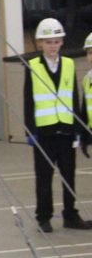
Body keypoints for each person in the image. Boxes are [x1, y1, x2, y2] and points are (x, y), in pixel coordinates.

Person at [24, 18, 92, 233]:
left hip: (66, 130)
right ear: (40, 43)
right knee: (43, 177)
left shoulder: (70, 65)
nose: (52, 46)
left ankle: (70, 215)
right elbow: (28, 100)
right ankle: (43, 217)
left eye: (56, 41)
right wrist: (30, 130)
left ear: (62, 42)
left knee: (69, 175)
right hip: (44, 131)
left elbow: (73, 98)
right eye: (48, 42)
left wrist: (78, 131)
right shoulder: (32, 66)